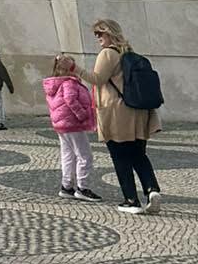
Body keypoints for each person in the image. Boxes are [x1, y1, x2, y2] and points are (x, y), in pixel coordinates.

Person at [80, 18, 162, 214]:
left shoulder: (107, 53)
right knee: (138, 154)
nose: (98, 38)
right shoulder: (129, 53)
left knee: (119, 155)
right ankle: (152, 189)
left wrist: (75, 69)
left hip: (117, 113)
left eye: (100, 33)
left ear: (110, 33)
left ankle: (131, 200)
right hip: (138, 110)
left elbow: (98, 79)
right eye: (96, 34)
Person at [42, 53, 100, 201]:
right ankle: (83, 187)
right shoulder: (69, 82)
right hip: (72, 123)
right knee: (84, 155)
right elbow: (70, 99)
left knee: (68, 155)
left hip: (62, 125)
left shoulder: (55, 83)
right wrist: (82, 115)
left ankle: (67, 186)